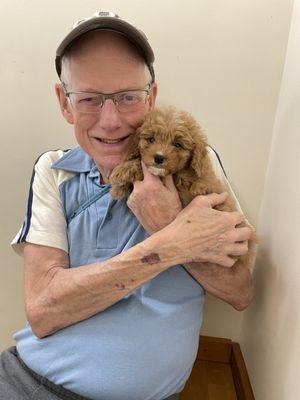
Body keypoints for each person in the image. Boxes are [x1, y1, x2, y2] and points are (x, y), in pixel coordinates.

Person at [0, 11, 254, 400]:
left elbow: (240, 292)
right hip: (23, 379)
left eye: (127, 97)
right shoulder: (53, 170)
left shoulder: (196, 161)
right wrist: (172, 240)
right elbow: (42, 312)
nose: (111, 121)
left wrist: (167, 216)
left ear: (151, 98)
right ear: (64, 103)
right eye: (88, 99)